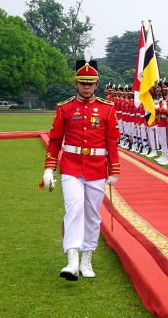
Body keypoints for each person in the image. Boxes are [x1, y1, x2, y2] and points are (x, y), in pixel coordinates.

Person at [41, 52, 121, 281]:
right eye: (82, 84)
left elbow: (112, 141)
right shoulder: (65, 108)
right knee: (74, 209)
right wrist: (49, 169)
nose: (87, 88)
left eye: (91, 84)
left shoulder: (107, 109)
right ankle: (72, 260)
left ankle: (87, 258)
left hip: (96, 168)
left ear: (97, 85)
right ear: (75, 83)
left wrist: (114, 168)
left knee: (93, 215)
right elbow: (55, 140)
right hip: (71, 167)